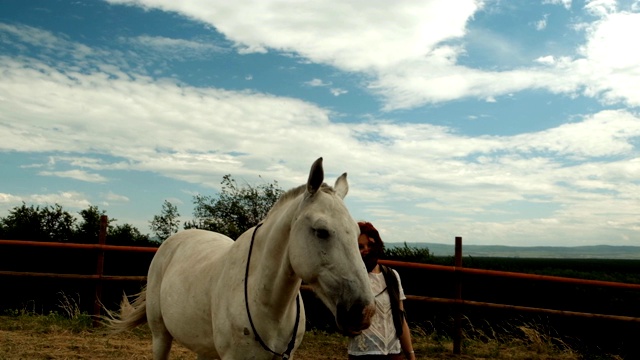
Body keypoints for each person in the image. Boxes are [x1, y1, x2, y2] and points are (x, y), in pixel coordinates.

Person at [348, 221, 416, 360]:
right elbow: (342, 318)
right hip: (364, 353)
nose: (366, 250)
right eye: (360, 246)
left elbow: (400, 319)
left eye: (370, 245)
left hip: (393, 353)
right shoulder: (350, 278)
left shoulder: (391, 276)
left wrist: (410, 354)